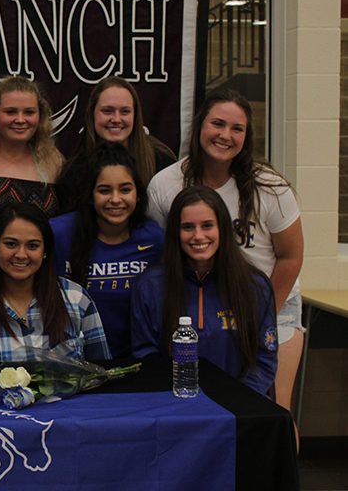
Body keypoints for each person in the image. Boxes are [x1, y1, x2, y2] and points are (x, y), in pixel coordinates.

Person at [146, 89, 303, 411]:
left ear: (247, 136)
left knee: (274, 409)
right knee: (198, 405)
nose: (225, 135)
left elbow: (291, 256)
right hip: (201, 305)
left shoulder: (270, 186)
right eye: (218, 124)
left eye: (237, 129)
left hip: (271, 302)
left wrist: (258, 320)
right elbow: (164, 254)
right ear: (200, 124)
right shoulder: (166, 184)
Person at [132, 186, 278, 396]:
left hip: (238, 407)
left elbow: (264, 358)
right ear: (175, 232)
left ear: (223, 229)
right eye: (188, 227)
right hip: (175, 404)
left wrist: (237, 400)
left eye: (207, 225)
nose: (198, 236)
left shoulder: (255, 285)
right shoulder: (150, 287)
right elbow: (145, 355)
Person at [0, 202, 111, 363]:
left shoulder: (76, 298)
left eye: (32, 246)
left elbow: (102, 372)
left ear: (45, 251)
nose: (21, 255)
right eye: (11, 244)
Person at [50, 143, 164, 358]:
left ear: (138, 194)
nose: (115, 199)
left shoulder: (154, 239)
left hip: (136, 363)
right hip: (73, 362)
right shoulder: (59, 234)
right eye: (104, 190)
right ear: (90, 195)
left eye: (125, 189)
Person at [56, 76, 176, 213]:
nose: (116, 119)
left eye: (125, 111)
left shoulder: (161, 160)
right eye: (107, 111)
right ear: (92, 113)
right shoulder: (74, 171)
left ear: (135, 116)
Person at [0, 76, 64, 218]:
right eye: (10, 112)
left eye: (29, 112)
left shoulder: (53, 159)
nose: (20, 120)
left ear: (40, 116)